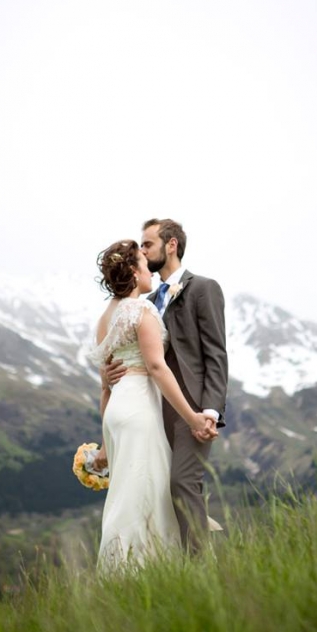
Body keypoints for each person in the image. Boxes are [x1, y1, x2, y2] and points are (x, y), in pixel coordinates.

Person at [105, 219, 228, 551]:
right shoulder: (139, 300)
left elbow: (216, 353)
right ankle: (164, 568)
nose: (142, 250)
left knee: (182, 482)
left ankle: (201, 570)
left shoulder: (203, 288)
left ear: (171, 245)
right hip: (150, 407)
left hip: (192, 405)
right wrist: (110, 376)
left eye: (147, 244)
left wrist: (210, 411)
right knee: (153, 488)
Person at [89, 239, 211, 571]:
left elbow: (105, 387)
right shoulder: (139, 310)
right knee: (146, 492)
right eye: (144, 265)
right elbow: (157, 367)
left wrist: (104, 441)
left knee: (124, 494)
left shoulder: (105, 317)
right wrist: (193, 418)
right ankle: (142, 573)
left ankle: (118, 569)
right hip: (139, 407)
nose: (150, 272)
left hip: (116, 411)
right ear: (132, 271)